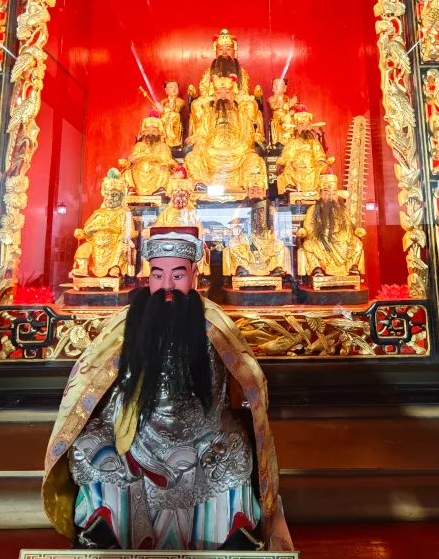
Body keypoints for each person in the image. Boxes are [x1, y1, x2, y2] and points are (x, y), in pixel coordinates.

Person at [43, 226, 291, 551]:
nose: (167, 285)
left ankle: (232, 530)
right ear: (148, 278)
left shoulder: (213, 324)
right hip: (135, 429)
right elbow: (101, 381)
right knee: (87, 449)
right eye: (158, 275)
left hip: (201, 430)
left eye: (178, 275)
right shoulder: (127, 323)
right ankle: (104, 528)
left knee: (237, 453)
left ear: (195, 276)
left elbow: (237, 383)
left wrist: (212, 428)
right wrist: (117, 424)